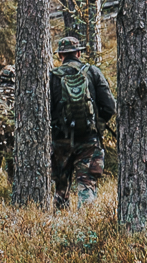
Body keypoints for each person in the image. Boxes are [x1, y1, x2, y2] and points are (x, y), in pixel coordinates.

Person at [49, 36, 115, 207]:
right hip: (88, 141)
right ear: (78, 53)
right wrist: (96, 126)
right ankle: (86, 227)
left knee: (60, 190)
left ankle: (60, 229)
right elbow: (109, 106)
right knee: (86, 186)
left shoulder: (51, 77)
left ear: (60, 55)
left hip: (60, 143)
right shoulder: (92, 72)